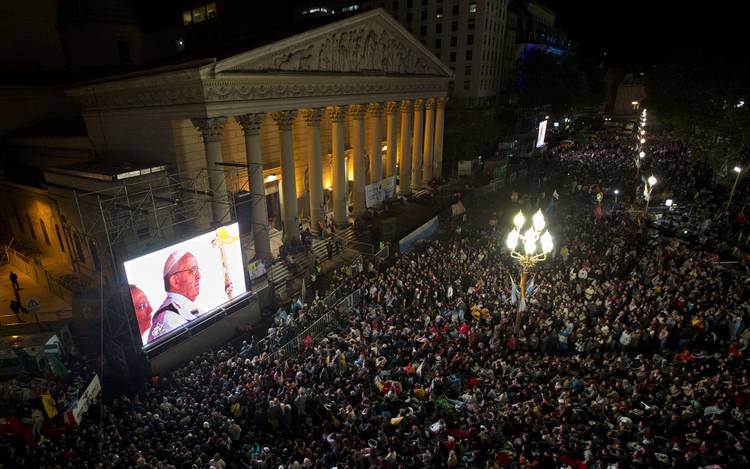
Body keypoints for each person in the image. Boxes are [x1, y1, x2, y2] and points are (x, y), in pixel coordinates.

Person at [148, 251, 202, 343]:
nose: (199, 276)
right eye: (192, 270)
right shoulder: (169, 319)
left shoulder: (188, 308)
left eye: (198, 270)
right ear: (175, 281)